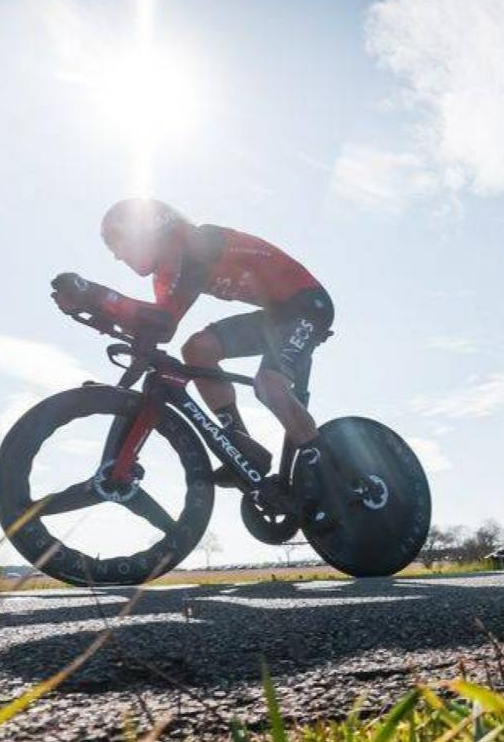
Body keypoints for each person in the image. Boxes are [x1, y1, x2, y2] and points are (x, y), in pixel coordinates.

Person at [50, 199, 336, 510]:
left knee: (268, 385)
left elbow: (163, 319)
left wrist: (95, 294)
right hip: (275, 317)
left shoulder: (201, 241)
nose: (117, 255)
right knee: (196, 349)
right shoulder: (165, 274)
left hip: (307, 306)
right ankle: (240, 443)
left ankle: (326, 473)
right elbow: (159, 329)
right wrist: (95, 311)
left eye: (117, 242)